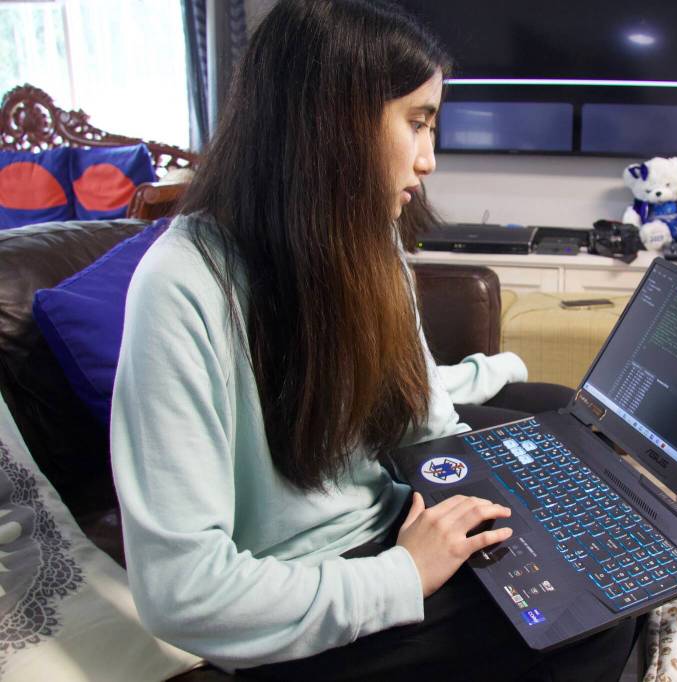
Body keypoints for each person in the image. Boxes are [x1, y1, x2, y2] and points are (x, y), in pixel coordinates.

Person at [110, 1, 641, 679]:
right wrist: (403, 574)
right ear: (330, 122)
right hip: (309, 593)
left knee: (568, 442)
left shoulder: (362, 237)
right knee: (593, 619)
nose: (429, 160)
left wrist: (514, 500)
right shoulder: (180, 284)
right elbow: (181, 591)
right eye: (417, 123)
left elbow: (422, 418)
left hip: (388, 516)